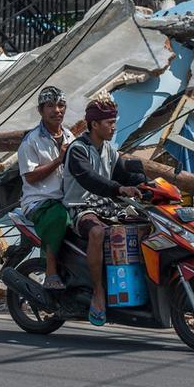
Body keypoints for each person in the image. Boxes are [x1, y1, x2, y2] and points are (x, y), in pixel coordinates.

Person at [62, 96, 149, 326]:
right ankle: (98, 293)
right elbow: (91, 180)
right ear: (94, 125)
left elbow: (123, 173)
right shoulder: (78, 150)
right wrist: (120, 188)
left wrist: (146, 183)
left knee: (144, 225)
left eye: (114, 121)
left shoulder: (109, 150)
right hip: (79, 207)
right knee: (98, 232)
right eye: (109, 122)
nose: (114, 127)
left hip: (107, 207)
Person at [17, 86, 73, 290]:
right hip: (39, 203)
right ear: (41, 110)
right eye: (50, 106)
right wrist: (59, 160)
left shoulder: (69, 137)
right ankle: (50, 272)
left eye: (60, 105)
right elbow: (30, 177)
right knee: (59, 217)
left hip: (66, 200)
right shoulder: (31, 141)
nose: (57, 110)